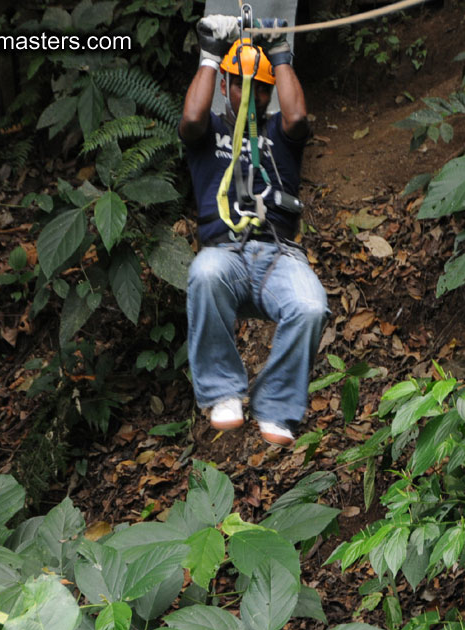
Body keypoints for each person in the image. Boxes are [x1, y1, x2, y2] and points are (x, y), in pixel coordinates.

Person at [179, 15, 329, 447]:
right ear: (226, 86)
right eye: (243, 85)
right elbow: (191, 117)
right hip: (225, 255)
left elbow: (296, 115)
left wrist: (279, 51)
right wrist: (210, 54)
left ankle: (277, 406)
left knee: (311, 306)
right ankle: (223, 392)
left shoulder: (280, 134)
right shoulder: (210, 132)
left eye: (262, 88)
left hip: (278, 256)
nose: (253, 94)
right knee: (204, 273)